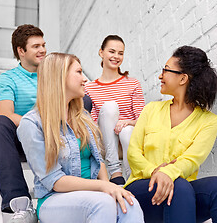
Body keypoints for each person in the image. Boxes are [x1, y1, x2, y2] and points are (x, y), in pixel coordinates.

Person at [16, 53, 144, 223]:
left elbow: (98, 160)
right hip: (54, 198)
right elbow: (54, 181)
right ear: (59, 77)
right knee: (103, 203)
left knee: (130, 204)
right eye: (78, 72)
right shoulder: (32, 124)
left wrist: (109, 187)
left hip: (93, 194)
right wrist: (102, 186)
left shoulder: (82, 116)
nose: (85, 79)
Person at [124, 46, 217, 223]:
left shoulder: (208, 121)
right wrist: (157, 171)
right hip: (143, 190)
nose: (160, 75)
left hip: (182, 197)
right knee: (179, 185)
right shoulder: (151, 109)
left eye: (165, 70)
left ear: (183, 78)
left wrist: (169, 173)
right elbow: (133, 153)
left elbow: (191, 159)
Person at [0, 24, 93, 223]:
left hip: (61, 133)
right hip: (28, 138)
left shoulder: (54, 74)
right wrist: (42, 125)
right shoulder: (8, 79)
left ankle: (84, 178)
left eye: (44, 45)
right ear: (21, 51)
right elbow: (6, 114)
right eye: (36, 46)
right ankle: (18, 203)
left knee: (85, 101)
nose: (43, 50)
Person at [85, 35, 145, 185]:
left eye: (120, 53)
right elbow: (91, 123)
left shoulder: (133, 84)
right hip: (106, 142)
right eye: (112, 51)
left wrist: (127, 123)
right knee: (110, 106)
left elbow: (143, 120)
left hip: (129, 138)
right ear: (101, 53)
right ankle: (115, 172)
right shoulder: (89, 88)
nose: (116, 56)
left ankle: (133, 179)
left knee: (126, 131)